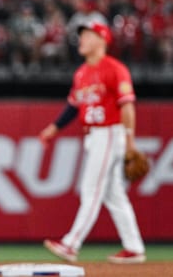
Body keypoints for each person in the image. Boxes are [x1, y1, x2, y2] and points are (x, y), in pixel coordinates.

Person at [38, 21, 145, 265]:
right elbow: (73, 107)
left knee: (91, 188)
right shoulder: (81, 73)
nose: (82, 40)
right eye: (82, 35)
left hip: (110, 133)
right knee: (113, 194)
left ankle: (71, 243)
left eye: (87, 35)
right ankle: (134, 247)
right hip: (94, 136)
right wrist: (52, 130)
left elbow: (127, 106)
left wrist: (130, 141)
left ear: (102, 39)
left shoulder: (115, 69)